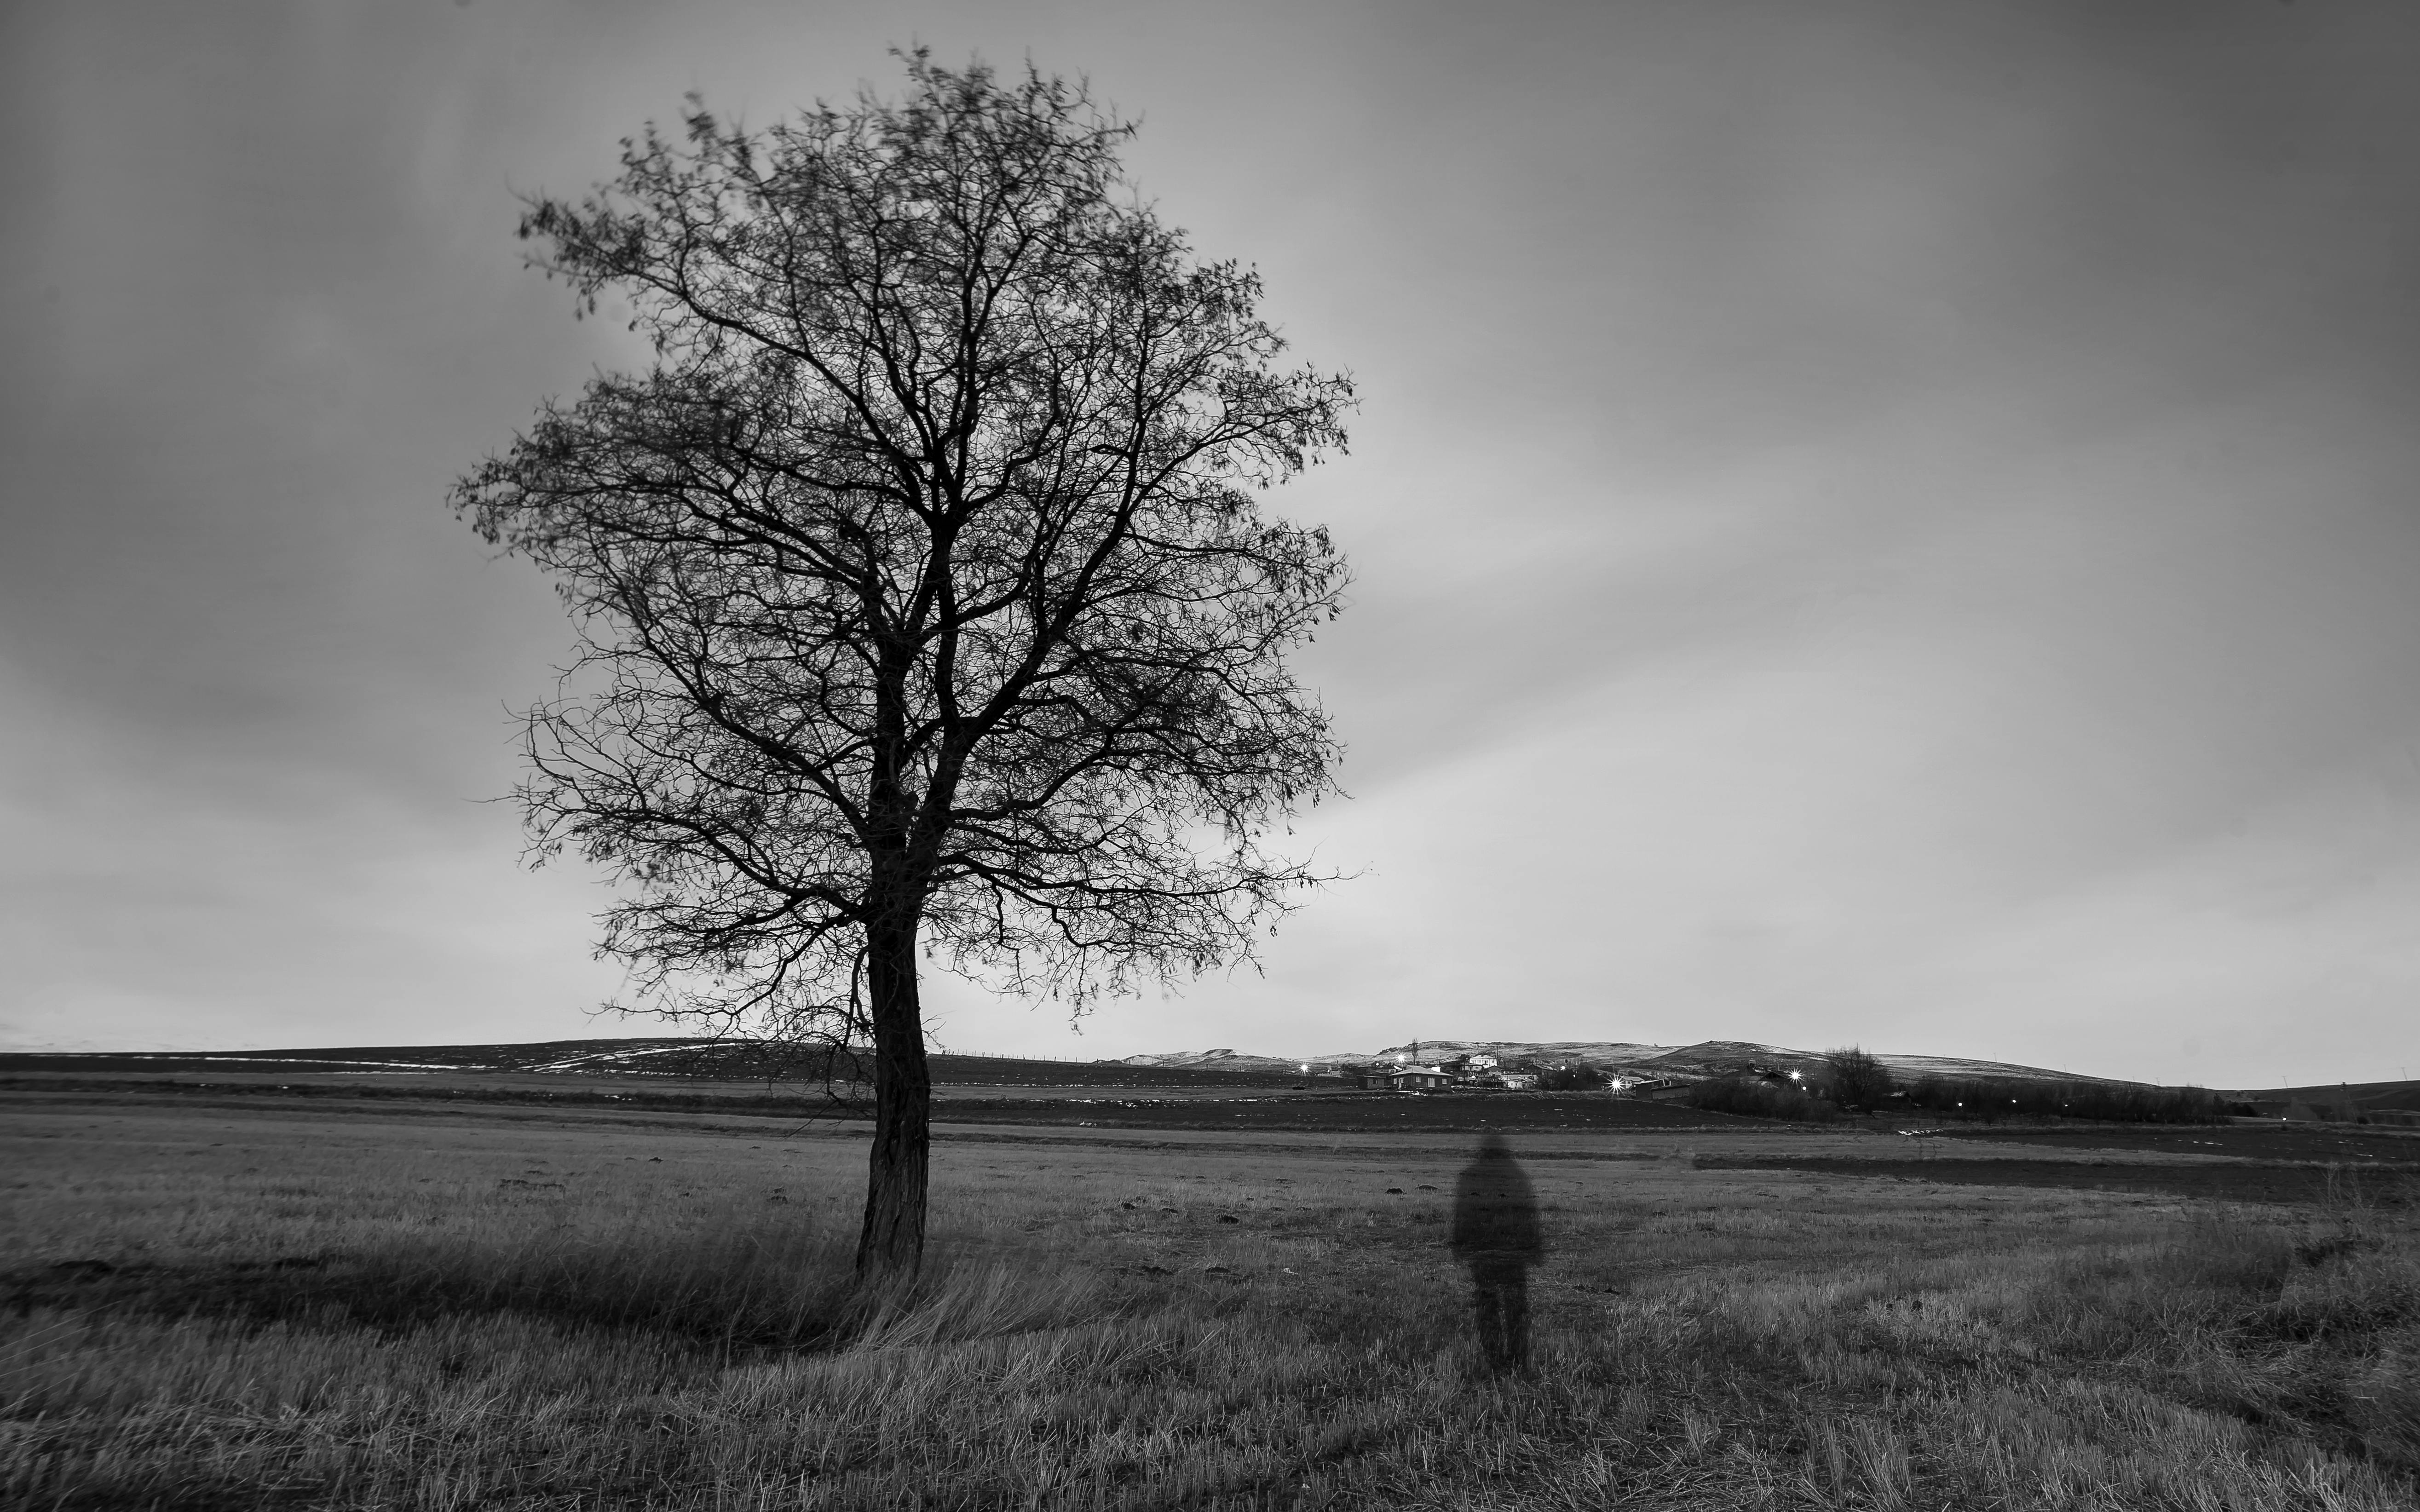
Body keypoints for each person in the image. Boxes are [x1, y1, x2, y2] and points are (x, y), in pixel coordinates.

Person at [1449, 1130, 1542, 1373]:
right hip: (1513, 1256)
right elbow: (1528, 1215)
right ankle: (1518, 1360)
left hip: (1483, 1254)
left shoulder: (1469, 1176)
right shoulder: (1518, 1176)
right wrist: (1533, 1248)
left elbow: (1464, 1215)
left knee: (1487, 1308)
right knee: (1516, 1309)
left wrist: (1461, 1245)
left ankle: (1494, 1361)